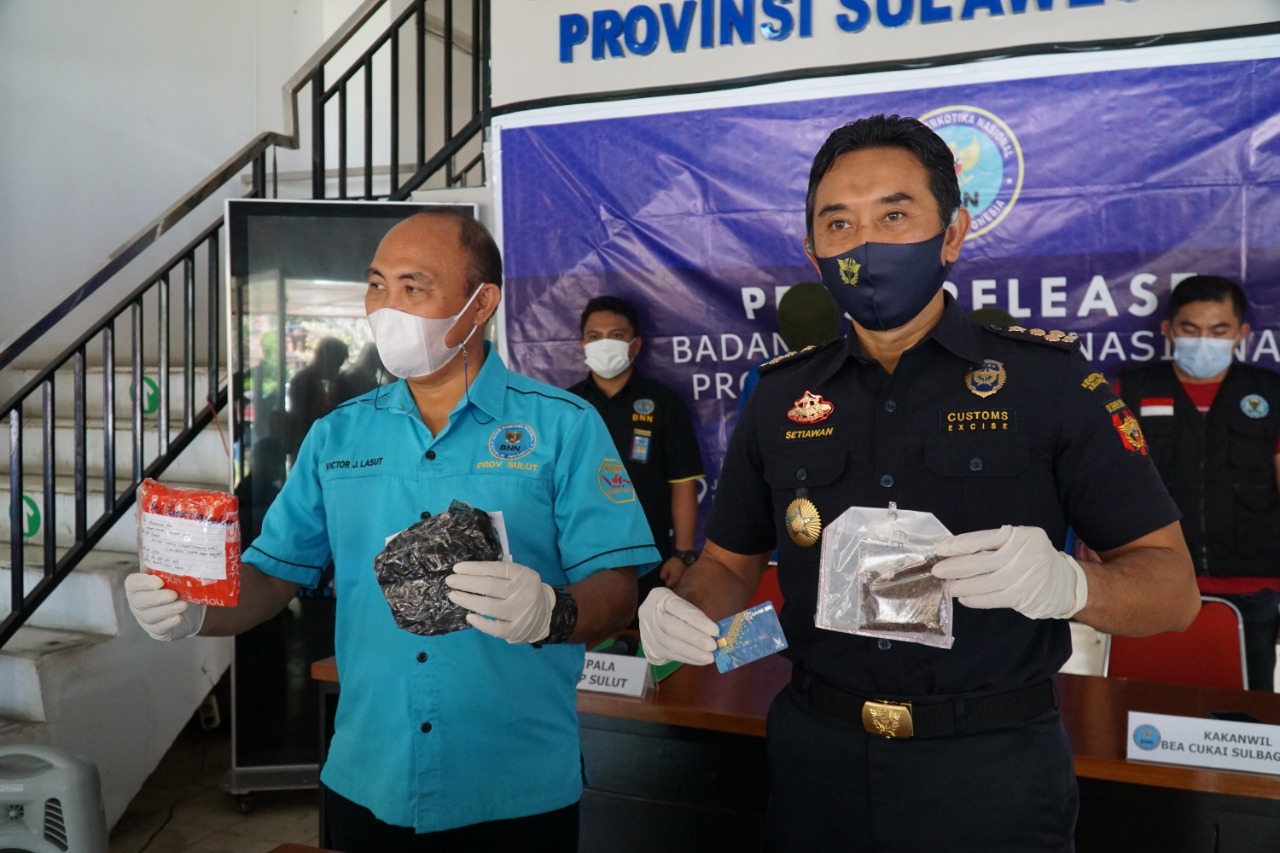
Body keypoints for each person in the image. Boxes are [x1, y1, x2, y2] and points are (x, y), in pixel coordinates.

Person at [638, 114, 1199, 851]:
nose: (865, 243)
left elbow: (1173, 591)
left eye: (895, 215)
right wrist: (683, 608)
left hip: (991, 769)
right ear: (813, 251)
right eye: (839, 223)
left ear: (953, 233)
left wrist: (1069, 586)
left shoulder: (1048, 382)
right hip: (817, 764)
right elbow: (727, 563)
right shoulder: (779, 397)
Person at [125, 210, 659, 851]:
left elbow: (618, 590)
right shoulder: (337, 436)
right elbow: (270, 577)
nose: (387, 307)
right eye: (377, 284)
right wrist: (195, 609)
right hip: (369, 776)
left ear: (481, 303)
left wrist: (552, 611)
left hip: (513, 782)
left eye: (414, 286)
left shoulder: (563, 427)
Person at [1118, 274, 1280, 691]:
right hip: (1153, 583)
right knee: (1146, 708)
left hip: (1254, 590)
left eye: (1219, 330)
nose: (1204, 340)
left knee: (1245, 714)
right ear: (1168, 330)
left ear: (1242, 334)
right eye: (1190, 329)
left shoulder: (1272, 394)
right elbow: (1102, 487)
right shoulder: (1127, 390)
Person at [567, 295, 705, 595]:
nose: (605, 344)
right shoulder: (566, 406)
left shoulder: (665, 403)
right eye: (595, 337)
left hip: (652, 555)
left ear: (636, 345)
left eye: (616, 335)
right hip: (580, 556)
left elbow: (683, 483)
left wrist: (683, 554)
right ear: (582, 345)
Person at [736, 281, 843, 415]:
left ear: (783, 328)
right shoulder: (854, 372)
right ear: (836, 323)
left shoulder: (761, 376)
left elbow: (746, 427)